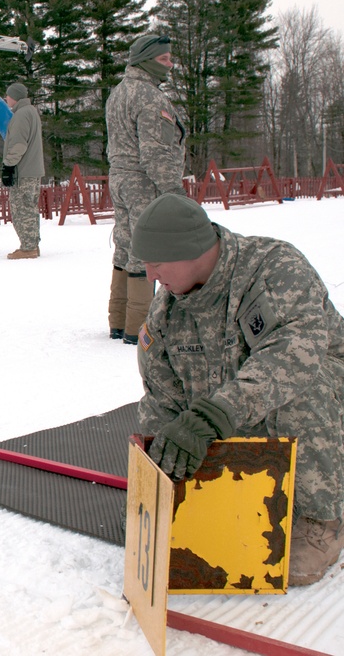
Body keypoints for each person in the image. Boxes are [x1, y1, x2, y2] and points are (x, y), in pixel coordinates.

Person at [133, 193, 344, 586]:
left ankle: (321, 521)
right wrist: (159, 480)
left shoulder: (274, 269)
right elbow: (161, 399)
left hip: (329, 409)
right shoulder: (167, 315)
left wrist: (213, 415)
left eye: (156, 264)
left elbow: (293, 354)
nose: (150, 277)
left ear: (190, 251)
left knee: (300, 386)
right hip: (246, 416)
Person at [106, 34, 186, 343]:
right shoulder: (150, 97)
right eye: (165, 59)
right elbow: (154, 153)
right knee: (143, 251)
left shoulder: (118, 93)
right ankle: (139, 326)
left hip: (119, 178)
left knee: (124, 247)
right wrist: (174, 192)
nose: (170, 64)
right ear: (148, 60)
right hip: (142, 182)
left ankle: (118, 320)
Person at [1, 82, 45, 260]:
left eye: (8, 95)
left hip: (23, 171)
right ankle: (32, 243)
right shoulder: (32, 112)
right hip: (33, 170)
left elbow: (18, 144)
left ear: (15, 97)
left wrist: (8, 166)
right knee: (31, 207)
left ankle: (28, 247)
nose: (6, 98)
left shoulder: (20, 115)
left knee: (21, 209)